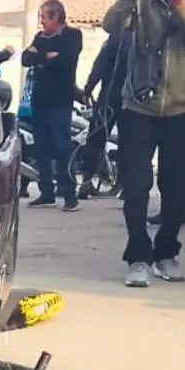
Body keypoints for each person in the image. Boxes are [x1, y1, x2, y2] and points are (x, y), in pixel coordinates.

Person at [103, 0, 185, 286]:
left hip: (180, 110)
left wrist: (180, 9)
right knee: (136, 187)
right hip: (138, 106)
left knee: (177, 189)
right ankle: (139, 257)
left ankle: (166, 252)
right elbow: (111, 26)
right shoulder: (141, 4)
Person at [21, 0, 83, 212]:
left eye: (44, 18)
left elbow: (66, 60)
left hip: (60, 102)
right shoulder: (40, 37)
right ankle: (46, 192)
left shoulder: (72, 35)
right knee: (42, 149)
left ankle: (69, 194)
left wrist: (42, 56)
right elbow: (25, 59)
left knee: (62, 147)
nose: (41, 22)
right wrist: (45, 56)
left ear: (56, 17)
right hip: (39, 101)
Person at [77, 29, 131, 200]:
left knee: (95, 137)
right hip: (133, 98)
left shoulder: (115, 38)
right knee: (129, 143)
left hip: (110, 96)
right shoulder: (145, 37)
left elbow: (99, 66)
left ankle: (86, 181)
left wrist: (88, 88)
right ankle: (125, 186)